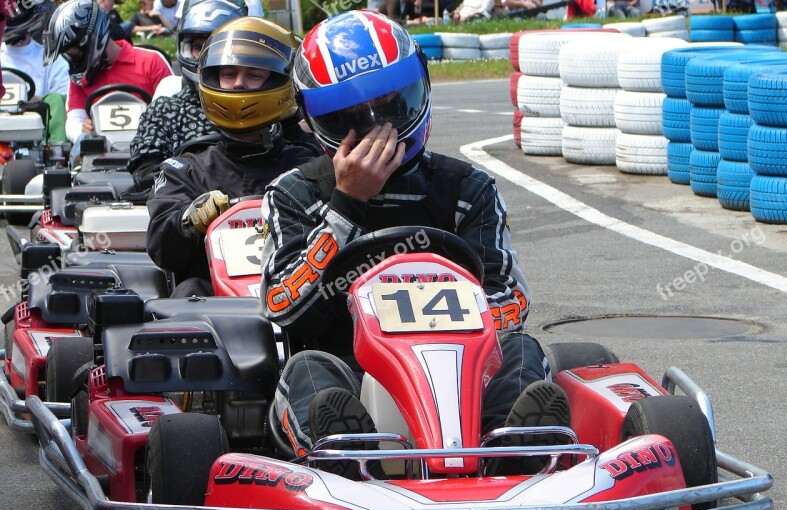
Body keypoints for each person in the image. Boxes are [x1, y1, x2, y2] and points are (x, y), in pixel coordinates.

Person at [262, 10, 569, 479]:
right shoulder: (295, 193)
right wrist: (346, 207)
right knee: (305, 369)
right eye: (351, 118)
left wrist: (443, 303)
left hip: (465, 376)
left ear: (419, 87)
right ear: (313, 120)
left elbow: (512, 303)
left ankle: (507, 452)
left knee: (525, 351)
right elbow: (284, 309)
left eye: (391, 105)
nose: (378, 128)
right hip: (348, 372)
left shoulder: (468, 188)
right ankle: (351, 460)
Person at [146, 16, 322, 297]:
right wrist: (189, 220)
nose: (238, 84)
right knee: (187, 292)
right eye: (229, 75)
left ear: (279, 82)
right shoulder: (185, 169)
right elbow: (162, 249)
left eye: (253, 75)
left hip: (301, 296)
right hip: (217, 312)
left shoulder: (310, 163)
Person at [127, 0, 246, 191]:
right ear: (185, 49)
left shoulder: (264, 106)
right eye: (201, 48)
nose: (209, 57)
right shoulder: (164, 111)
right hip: (183, 210)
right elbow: (145, 175)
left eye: (219, 47)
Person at [43, 0, 174, 145]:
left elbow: (172, 113)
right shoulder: (80, 77)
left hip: (150, 150)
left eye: (76, 54)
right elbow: (74, 120)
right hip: (100, 155)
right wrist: (83, 131)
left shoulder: (151, 61)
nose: (74, 61)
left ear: (93, 38)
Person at [1, 0, 70, 142]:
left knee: (56, 99)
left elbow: (62, 102)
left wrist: (34, 101)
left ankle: (56, 152)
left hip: (36, 136)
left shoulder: (52, 60)